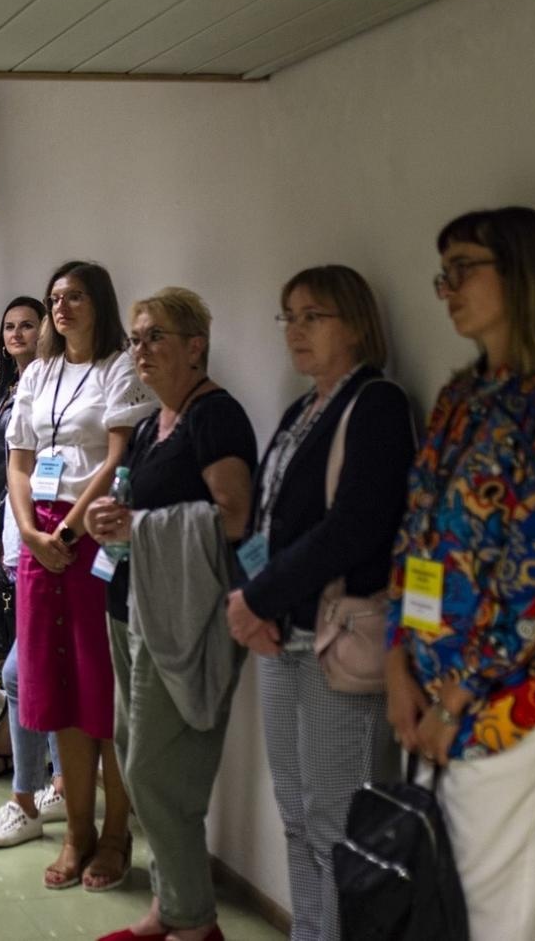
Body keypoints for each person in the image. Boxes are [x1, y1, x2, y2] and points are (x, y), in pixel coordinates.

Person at [384, 207, 535, 941]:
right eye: (442, 274)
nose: (447, 288)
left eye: (463, 269)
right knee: (428, 907)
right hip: (431, 684)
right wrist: (397, 662)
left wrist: (458, 697)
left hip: (514, 692)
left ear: (522, 274)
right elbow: (415, 537)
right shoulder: (461, 398)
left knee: (485, 918)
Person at [218, 267, 416, 941]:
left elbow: (354, 526)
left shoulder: (377, 405)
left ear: (356, 324)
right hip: (281, 637)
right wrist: (250, 599)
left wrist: (258, 597)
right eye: (289, 317)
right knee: (297, 816)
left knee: (338, 826)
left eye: (314, 316)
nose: (296, 331)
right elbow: (269, 522)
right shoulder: (304, 411)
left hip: (336, 642)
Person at [88, 288, 258, 941]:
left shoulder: (215, 416)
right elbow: (138, 508)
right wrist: (110, 520)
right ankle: (169, 906)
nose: (141, 349)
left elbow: (234, 517)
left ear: (195, 346)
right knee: (134, 757)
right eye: (135, 338)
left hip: (184, 616)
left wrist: (139, 526)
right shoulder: (153, 423)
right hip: (133, 604)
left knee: (158, 773)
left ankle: (194, 921)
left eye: (155, 336)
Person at [6, 261, 155, 892]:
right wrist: (31, 532)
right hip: (38, 537)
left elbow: (119, 456)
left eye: (74, 297)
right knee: (58, 686)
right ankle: (77, 831)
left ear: (100, 303)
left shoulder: (120, 367)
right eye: (54, 298)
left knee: (103, 686)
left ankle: (116, 832)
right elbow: (18, 462)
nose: (61, 308)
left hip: (92, 532)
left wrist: (66, 532)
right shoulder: (38, 372)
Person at [0, 296, 68, 843]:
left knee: (25, 673)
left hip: (48, 539)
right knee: (21, 672)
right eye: (9, 326)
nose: (17, 334)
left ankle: (48, 784)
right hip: (14, 539)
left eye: (28, 325)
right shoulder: (8, 391)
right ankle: (42, 787)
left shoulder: (57, 390)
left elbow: (43, 470)